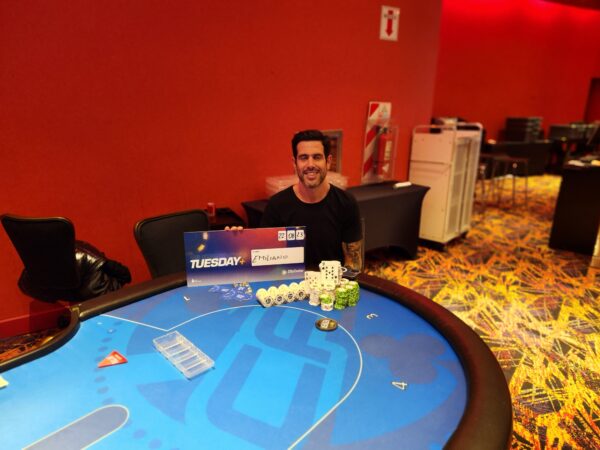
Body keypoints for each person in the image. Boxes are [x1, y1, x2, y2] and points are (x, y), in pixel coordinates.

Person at [259, 129, 363, 271]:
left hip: (333, 284)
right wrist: (235, 240)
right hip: (291, 283)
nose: (310, 164)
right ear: (294, 163)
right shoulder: (276, 205)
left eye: (317, 157)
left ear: (328, 161)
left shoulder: (346, 203)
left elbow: (353, 264)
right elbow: (264, 261)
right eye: (303, 158)